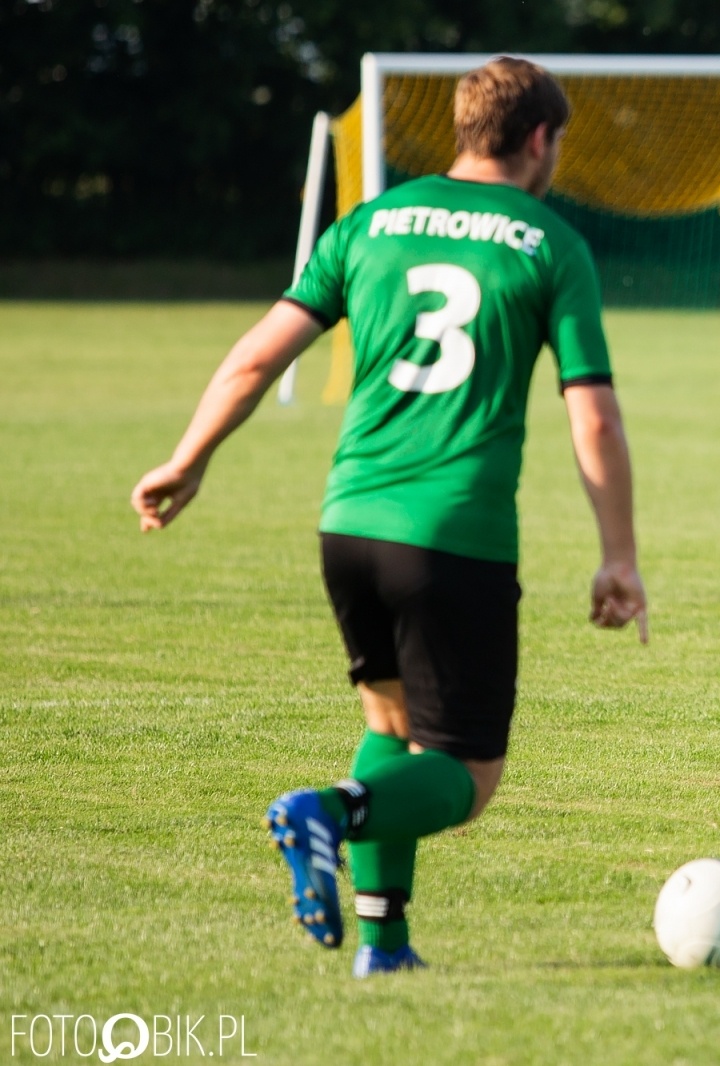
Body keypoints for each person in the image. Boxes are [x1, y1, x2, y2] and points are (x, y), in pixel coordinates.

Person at [130, 58, 647, 977]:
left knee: (393, 721)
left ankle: (386, 948)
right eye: (557, 143)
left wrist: (187, 457)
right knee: (467, 775)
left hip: (348, 522)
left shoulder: (367, 226)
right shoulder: (549, 243)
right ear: (538, 140)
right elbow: (594, 413)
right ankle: (326, 812)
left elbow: (256, 358)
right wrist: (619, 555)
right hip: (453, 535)